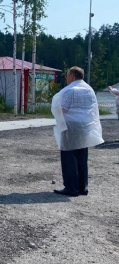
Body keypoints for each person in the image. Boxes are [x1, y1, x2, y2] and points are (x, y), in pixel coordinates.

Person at [51, 66, 103, 196]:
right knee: (82, 155)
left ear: (73, 76)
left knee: (69, 156)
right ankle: (82, 187)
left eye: (68, 75)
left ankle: (71, 188)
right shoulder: (89, 89)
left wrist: (56, 109)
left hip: (71, 126)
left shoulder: (70, 90)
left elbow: (63, 109)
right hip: (85, 126)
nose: (67, 78)